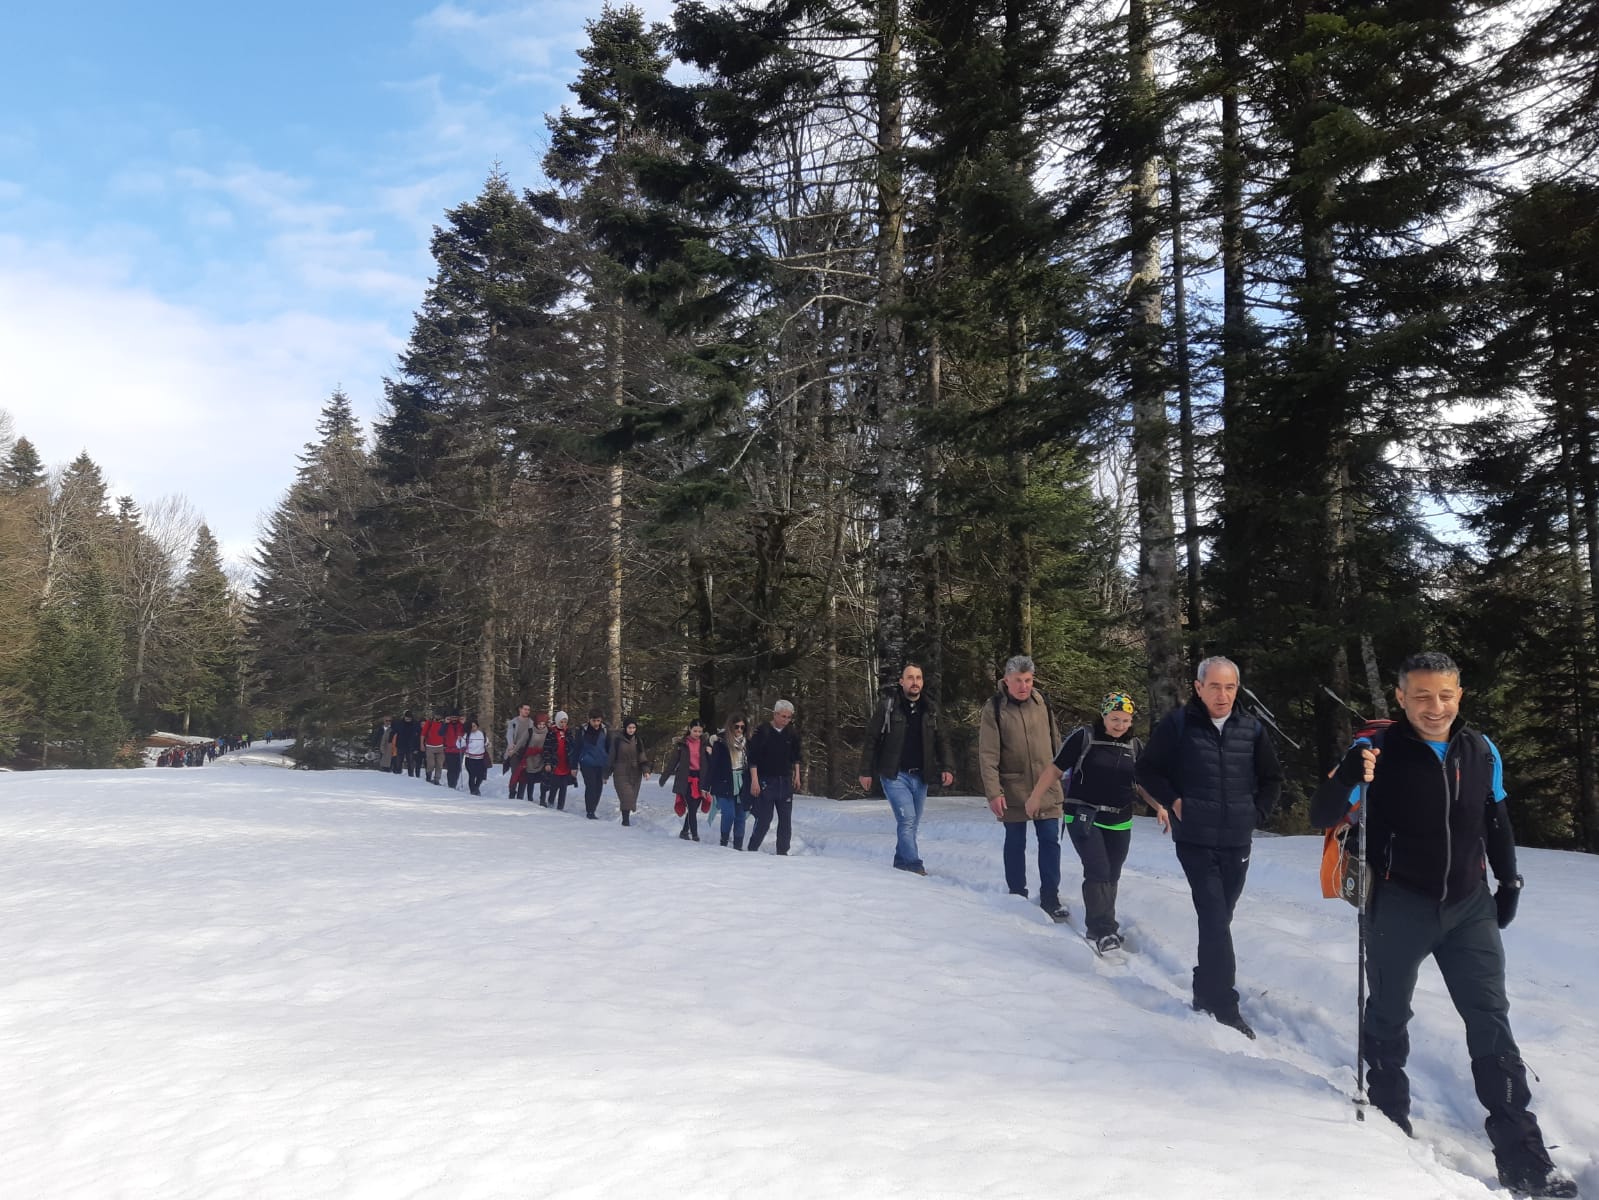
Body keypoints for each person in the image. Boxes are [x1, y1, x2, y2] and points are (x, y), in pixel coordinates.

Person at [1310, 652, 1577, 1198]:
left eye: (1445, 696)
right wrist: (1346, 775)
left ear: (1461, 695)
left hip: (1468, 906)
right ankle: (1388, 1118)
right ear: (1402, 698)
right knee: (1388, 1011)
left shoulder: (1481, 749)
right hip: (1398, 902)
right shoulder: (1375, 752)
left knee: (1490, 1018)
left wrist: (1510, 883)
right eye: (1423, 696)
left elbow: (1495, 820)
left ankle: (1523, 1155)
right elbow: (1321, 813)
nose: (1435, 708)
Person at [1135, 655, 1282, 1039]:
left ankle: (1204, 989)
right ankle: (1226, 1006)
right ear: (1198, 688)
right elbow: (1147, 769)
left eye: (1229, 687)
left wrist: (1257, 813)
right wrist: (1175, 801)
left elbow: (1272, 778)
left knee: (1219, 920)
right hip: (1195, 839)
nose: (1222, 694)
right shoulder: (1179, 725)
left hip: (1237, 840)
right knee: (1215, 917)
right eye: (1214, 686)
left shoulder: (1251, 729)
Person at [1028, 691, 1166, 953]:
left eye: (1125, 720)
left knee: (1112, 874)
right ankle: (1101, 929)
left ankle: (1108, 924)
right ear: (1103, 715)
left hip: (1119, 818)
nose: (1120, 726)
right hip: (1084, 814)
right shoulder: (1084, 738)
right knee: (1098, 870)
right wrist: (1035, 796)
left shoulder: (1134, 746)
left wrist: (1159, 806)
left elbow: (1141, 783)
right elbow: (1055, 769)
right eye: (1115, 719)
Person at [978, 655, 1069, 922]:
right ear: (1007, 680)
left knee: (1051, 841)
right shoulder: (994, 708)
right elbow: (987, 755)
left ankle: (1051, 897)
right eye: (1018, 681)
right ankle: (1018, 894)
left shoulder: (1043, 702)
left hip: (1046, 787)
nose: (1024, 686)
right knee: (1016, 842)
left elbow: (1056, 744)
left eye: (1028, 680)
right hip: (1013, 788)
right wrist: (994, 792)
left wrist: (1062, 777)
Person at [858, 663, 954, 876]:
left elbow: (942, 740)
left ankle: (901, 862)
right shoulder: (889, 706)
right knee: (907, 820)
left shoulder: (930, 709)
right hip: (894, 774)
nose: (915, 682)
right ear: (902, 682)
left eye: (918, 678)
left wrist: (947, 767)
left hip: (921, 776)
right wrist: (865, 771)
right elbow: (872, 739)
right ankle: (913, 865)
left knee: (911, 823)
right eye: (910, 677)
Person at [747, 701, 803, 855]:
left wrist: (797, 775)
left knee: (785, 820)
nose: (786, 720)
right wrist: (754, 780)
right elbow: (753, 758)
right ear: (775, 714)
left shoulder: (792, 733)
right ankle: (752, 848)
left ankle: (783, 852)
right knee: (765, 818)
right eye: (783, 716)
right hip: (766, 780)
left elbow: (796, 756)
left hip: (785, 780)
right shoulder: (762, 731)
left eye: (789, 717)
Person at [660, 719, 711, 841]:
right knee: (692, 808)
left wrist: (711, 753)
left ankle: (684, 831)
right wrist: (664, 777)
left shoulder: (705, 744)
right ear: (690, 729)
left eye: (699, 731)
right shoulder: (682, 745)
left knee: (694, 807)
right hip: (686, 779)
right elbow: (673, 762)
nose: (697, 734)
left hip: (701, 779)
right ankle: (695, 835)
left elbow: (712, 762)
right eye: (695, 731)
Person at [707, 714, 753, 848]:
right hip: (724, 781)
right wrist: (706, 786)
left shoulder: (748, 744)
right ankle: (724, 841)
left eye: (742, 727)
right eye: (736, 726)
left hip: (742, 782)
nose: (739, 730)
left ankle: (738, 846)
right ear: (730, 726)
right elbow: (713, 765)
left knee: (740, 816)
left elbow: (753, 764)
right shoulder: (720, 742)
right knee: (729, 813)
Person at [608, 717, 650, 826]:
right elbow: (611, 757)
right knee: (626, 796)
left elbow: (642, 756)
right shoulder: (617, 740)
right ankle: (625, 821)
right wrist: (606, 773)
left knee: (631, 796)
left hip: (635, 772)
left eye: (634, 728)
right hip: (620, 771)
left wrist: (646, 770)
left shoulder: (637, 740)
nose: (632, 730)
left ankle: (626, 818)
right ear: (625, 727)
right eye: (629, 727)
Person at [577, 709, 611, 820]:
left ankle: (593, 808)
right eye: (594, 721)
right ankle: (590, 811)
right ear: (589, 720)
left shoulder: (605, 731)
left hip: (601, 763)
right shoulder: (582, 730)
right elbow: (576, 748)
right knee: (591, 786)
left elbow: (609, 748)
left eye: (598, 721)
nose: (596, 723)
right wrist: (574, 765)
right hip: (587, 763)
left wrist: (608, 766)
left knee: (598, 787)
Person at [542, 711, 577, 810]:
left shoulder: (568, 733)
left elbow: (572, 747)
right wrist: (547, 762)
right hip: (555, 764)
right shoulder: (551, 732)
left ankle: (560, 807)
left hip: (565, 764)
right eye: (561, 721)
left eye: (565, 722)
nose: (563, 724)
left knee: (563, 787)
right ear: (557, 721)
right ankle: (550, 803)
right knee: (554, 786)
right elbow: (547, 749)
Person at [503, 704, 534, 800]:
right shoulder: (513, 722)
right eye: (525, 709)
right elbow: (509, 734)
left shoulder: (531, 723)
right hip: (514, 751)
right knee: (515, 771)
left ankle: (520, 796)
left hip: (526, 751)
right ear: (520, 709)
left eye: (528, 710)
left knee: (524, 774)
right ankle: (512, 793)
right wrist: (511, 745)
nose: (527, 711)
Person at [461, 717, 491, 796]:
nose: (473, 728)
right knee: (472, 775)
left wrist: (488, 745)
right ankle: (473, 791)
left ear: (477, 726)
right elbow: (459, 745)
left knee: (480, 776)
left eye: (474, 726)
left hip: (480, 759)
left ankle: (476, 787)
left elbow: (487, 743)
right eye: (471, 726)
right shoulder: (466, 735)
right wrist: (459, 741)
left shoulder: (482, 734)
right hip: (470, 758)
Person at [421, 711, 447, 784]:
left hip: (440, 747)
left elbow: (446, 734)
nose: (438, 717)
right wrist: (421, 744)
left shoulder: (443, 724)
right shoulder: (429, 723)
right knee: (431, 764)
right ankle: (428, 776)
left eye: (439, 716)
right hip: (430, 746)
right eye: (437, 715)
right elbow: (423, 734)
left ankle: (437, 780)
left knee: (439, 764)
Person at [442, 710, 466, 789]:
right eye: (452, 717)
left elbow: (468, 732)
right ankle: (451, 785)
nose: (454, 719)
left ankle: (454, 784)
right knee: (451, 769)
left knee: (458, 769)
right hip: (449, 750)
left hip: (459, 750)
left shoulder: (461, 725)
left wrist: (464, 723)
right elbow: (440, 733)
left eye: (456, 717)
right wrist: (445, 723)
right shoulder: (446, 725)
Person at [396, 711, 422, 778]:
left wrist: (416, 747)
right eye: (407, 718)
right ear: (404, 717)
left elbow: (417, 737)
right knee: (399, 762)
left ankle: (411, 776)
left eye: (409, 719)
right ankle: (398, 775)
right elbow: (396, 734)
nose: (408, 720)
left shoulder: (415, 724)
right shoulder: (400, 723)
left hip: (411, 746)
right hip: (401, 745)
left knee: (410, 762)